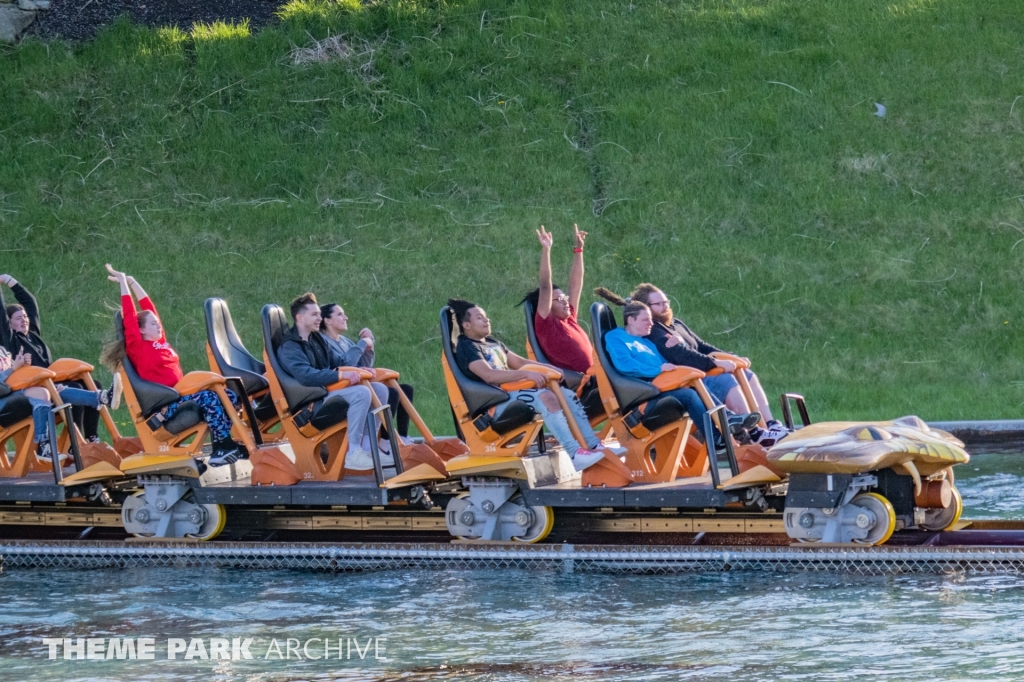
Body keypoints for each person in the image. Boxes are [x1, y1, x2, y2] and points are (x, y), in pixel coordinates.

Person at [596, 284, 788, 446]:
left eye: (666, 302)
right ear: (631, 319)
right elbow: (627, 365)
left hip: (672, 381)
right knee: (702, 387)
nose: (650, 323)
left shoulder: (646, 340)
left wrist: (729, 357)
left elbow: (697, 347)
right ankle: (730, 437)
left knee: (740, 375)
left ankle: (765, 425)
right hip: (648, 391)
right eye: (647, 318)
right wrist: (660, 368)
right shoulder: (624, 336)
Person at [103, 265, 245, 466]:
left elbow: (150, 307)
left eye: (157, 323)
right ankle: (222, 445)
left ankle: (222, 443)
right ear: (141, 331)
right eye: (153, 324)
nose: (158, 325)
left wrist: (133, 281)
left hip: (181, 395)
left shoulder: (161, 342)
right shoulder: (138, 346)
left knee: (229, 395)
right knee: (210, 398)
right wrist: (124, 284)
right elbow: (129, 314)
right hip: (165, 405)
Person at [447, 298, 605, 471]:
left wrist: (550, 369)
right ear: (466, 325)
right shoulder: (467, 348)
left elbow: (520, 362)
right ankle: (575, 454)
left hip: (510, 395)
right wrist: (527, 374)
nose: (487, 320)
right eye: (479, 318)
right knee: (547, 398)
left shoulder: (492, 342)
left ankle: (593, 444)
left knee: (566, 394)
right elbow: (489, 375)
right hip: (494, 405)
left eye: (485, 317)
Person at [0, 274, 121, 442]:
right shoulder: (10, 341)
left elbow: (30, 302)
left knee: (94, 384)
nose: (24, 321)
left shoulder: (33, 334)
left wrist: (9, 281)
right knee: (74, 386)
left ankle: (92, 437)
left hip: (51, 383)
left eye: (25, 317)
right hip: (32, 389)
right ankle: (75, 445)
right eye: (18, 318)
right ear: (9, 323)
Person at [279, 293, 389, 471]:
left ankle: (368, 449)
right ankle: (353, 453)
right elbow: (306, 376)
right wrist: (339, 376)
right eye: (314, 314)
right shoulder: (290, 346)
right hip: (310, 406)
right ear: (300, 317)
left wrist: (358, 370)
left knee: (380, 389)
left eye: (319, 314)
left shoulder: (316, 340)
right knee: (361, 393)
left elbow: (341, 363)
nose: (319, 318)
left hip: (325, 393)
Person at [319, 302, 416, 442]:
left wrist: (369, 348)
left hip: (359, 382)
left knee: (405, 389)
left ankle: (402, 437)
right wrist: (362, 343)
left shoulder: (345, 341)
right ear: (327, 320)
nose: (346, 317)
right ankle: (385, 440)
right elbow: (345, 365)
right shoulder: (324, 342)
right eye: (340, 314)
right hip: (342, 388)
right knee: (391, 393)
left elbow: (363, 365)